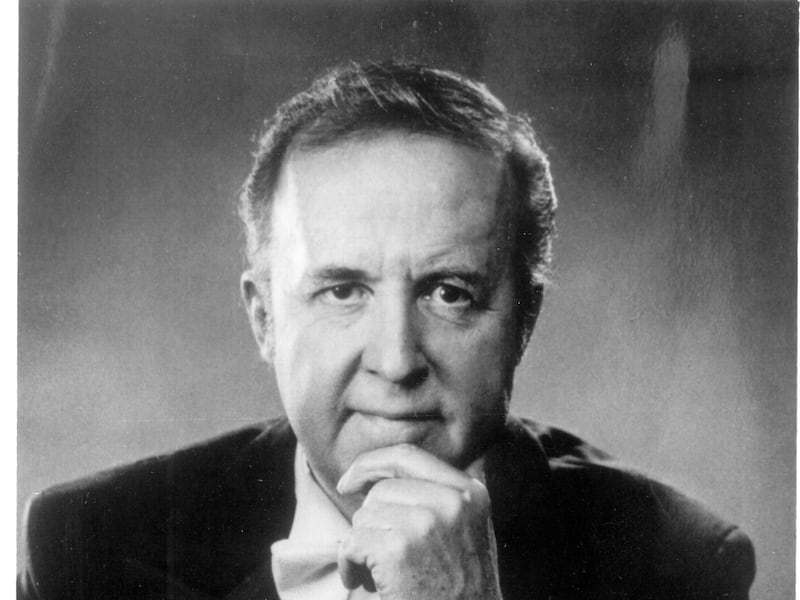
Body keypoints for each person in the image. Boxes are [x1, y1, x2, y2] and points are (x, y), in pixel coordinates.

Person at [18, 61, 756, 600]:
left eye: (450, 293)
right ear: (265, 318)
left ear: (524, 322)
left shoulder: (676, 562)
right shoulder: (86, 543)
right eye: (343, 291)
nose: (397, 361)